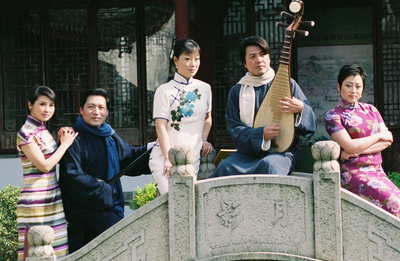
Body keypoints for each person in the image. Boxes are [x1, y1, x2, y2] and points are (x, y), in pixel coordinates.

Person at [59, 88, 152, 253]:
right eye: (91, 107)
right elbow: (71, 176)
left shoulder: (109, 135)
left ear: (107, 111)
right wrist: (104, 189)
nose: (96, 112)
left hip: (110, 209)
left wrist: (155, 148)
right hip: (85, 216)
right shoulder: (73, 138)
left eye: (101, 108)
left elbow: (128, 158)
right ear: (81, 110)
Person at [209, 36, 316, 178]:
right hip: (247, 154)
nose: (259, 60)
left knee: (270, 166)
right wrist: (260, 134)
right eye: (252, 56)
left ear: (269, 58)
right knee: (224, 167)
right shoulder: (237, 91)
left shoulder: (288, 85)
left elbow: (311, 125)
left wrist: (301, 108)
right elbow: (234, 128)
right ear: (244, 63)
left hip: (282, 152)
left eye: (263, 54)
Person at [16, 85, 78, 261]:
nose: (47, 109)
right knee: (34, 253)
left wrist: (60, 140)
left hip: (52, 197)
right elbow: (44, 166)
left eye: (51, 105)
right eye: (42, 104)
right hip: (35, 201)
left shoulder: (44, 131)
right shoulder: (25, 133)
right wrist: (65, 145)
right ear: (29, 105)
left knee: (56, 251)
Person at [325, 64, 400, 218]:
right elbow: (350, 145)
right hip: (353, 173)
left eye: (358, 86)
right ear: (339, 87)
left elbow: (388, 141)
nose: (354, 90)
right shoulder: (333, 116)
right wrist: (378, 136)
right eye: (348, 85)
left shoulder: (371, 110)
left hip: (377, 171)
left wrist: (356, 150)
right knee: (394, 204)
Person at [149, 38, 213, 194]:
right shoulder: (164, 90)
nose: (193, 64)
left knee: (188, 204)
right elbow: (160, 126)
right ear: (176, 60)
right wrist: (166, 158)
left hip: (193, 157)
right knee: (172, 200)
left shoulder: (205, 88)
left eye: (196, 59)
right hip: (167, 158)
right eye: (187, 59)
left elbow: (207, 118)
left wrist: (204, 139)